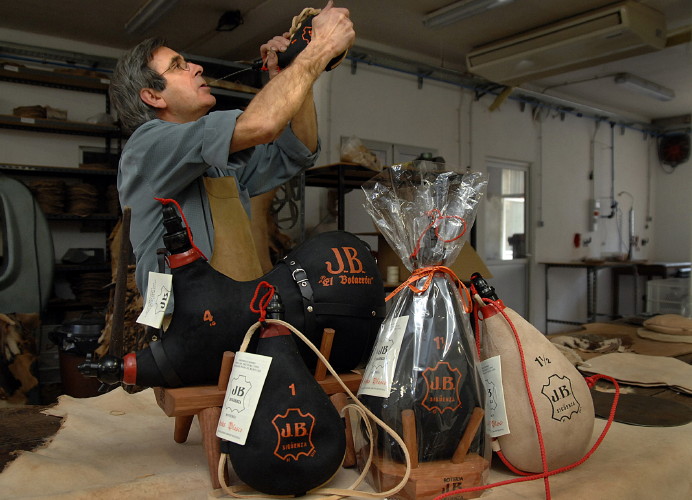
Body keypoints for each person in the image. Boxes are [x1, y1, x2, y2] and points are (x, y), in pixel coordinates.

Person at [109, 1, 355, 301]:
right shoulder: (147, 145)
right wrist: (320, 49)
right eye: (178, 66)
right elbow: (263, 124)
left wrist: (292, 69)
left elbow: (298, 151)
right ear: (152, 96)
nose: (197, 67)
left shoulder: (217, 163)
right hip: (190, 331)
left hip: (240, 315)